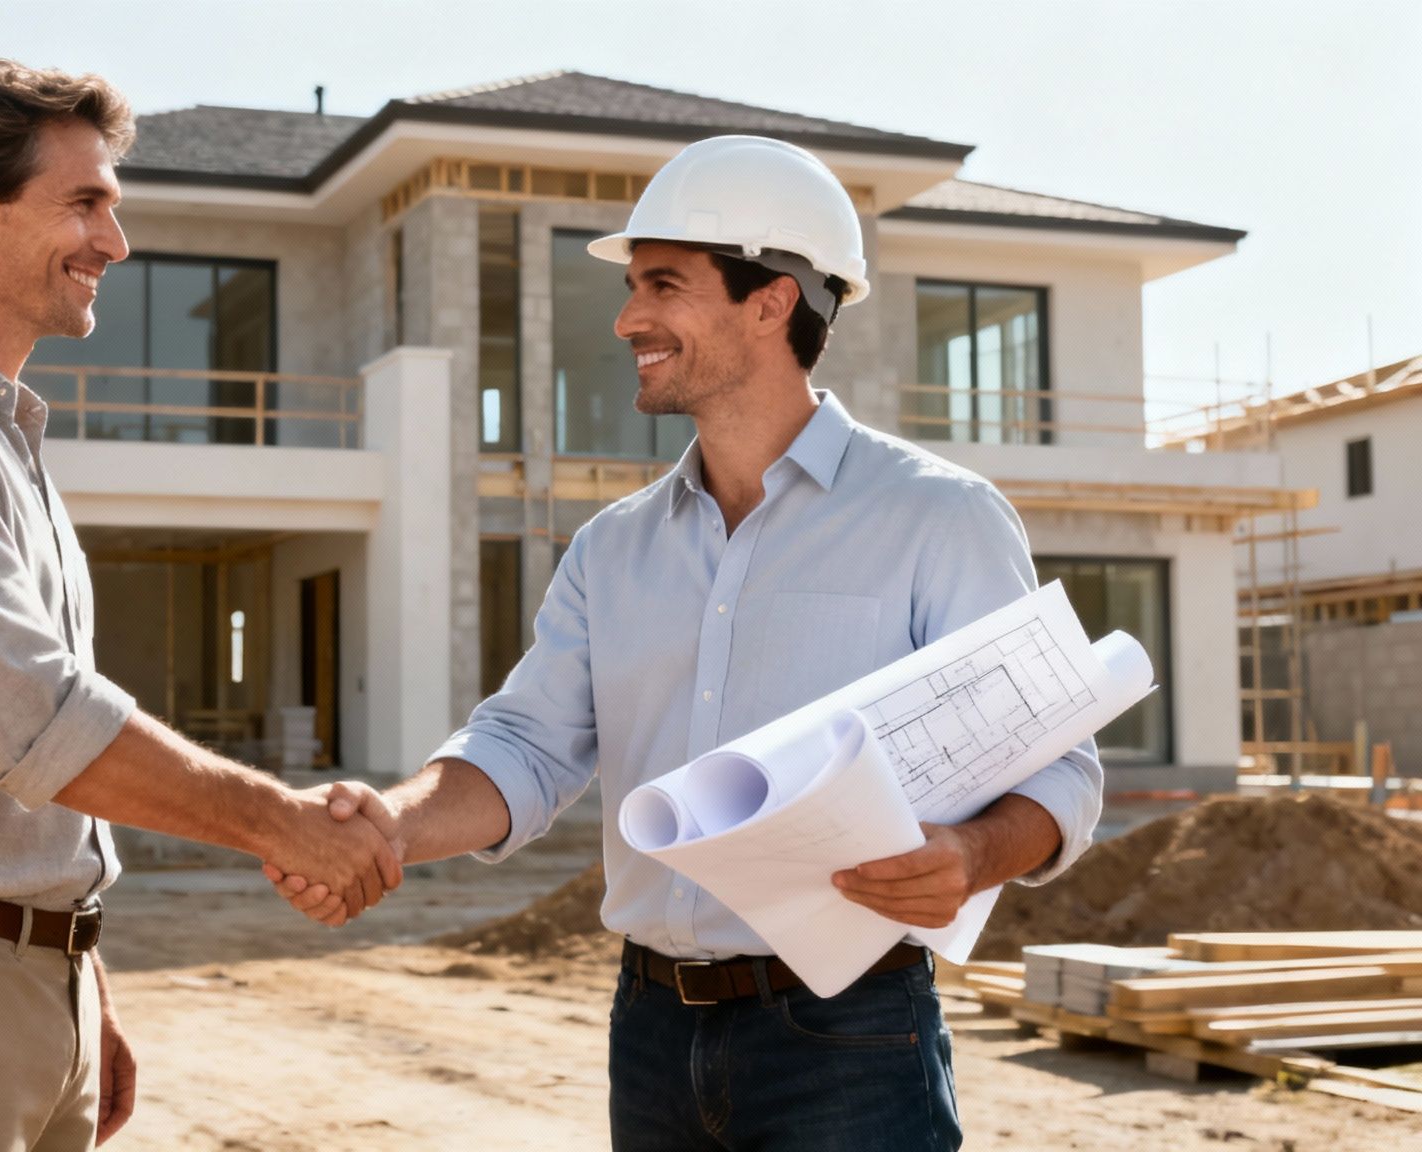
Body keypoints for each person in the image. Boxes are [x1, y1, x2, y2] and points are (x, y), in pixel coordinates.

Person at [268, 135, 1103, 1151]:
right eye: (630, 287)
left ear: (772, 298)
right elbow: (525, 749)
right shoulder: (612, 548)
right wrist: (385, 825)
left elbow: (1059, 766)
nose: (626, 319)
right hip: (651, 1034)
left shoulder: (938, 519)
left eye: (662, 285)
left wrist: (973, 852)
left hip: (847, 1041)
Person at [0, 59, 401, 1151]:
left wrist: (71, 971)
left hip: (12, 984)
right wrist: (286, 825)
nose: (115, 243)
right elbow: (30, 721)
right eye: (85, 202)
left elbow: (18, 775)